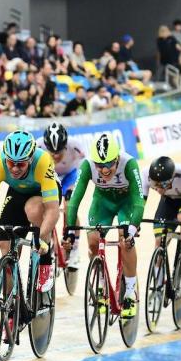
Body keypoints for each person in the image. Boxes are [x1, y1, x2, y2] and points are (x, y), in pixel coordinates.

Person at [64, 134, 145, 318]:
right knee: (93, 241)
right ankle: (101, 286)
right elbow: (75, 199)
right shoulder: (87, 165)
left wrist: (133, 228)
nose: (104, 170)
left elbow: (139, 201)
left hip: (127, 204)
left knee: (126, 241)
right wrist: (69, 230)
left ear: (117, 158)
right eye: (100, 165)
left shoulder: (129, 163)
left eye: (109, 164)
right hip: (102, 204)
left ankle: (131, 291)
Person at [0, 131, 60, 296]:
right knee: (6, 244)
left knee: (33, 210)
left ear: (31, 159)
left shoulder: (43, 161)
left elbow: (53, 210)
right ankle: (13, 302)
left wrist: (40, 238)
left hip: (43, 193)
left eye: (21, 164)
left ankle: (45, 260)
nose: (15, 168)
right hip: (18, 192)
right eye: (11, 163)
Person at [141, 156, 181, 286]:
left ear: (173, 177)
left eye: (164, 184)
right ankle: (158, 283)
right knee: (160, 241)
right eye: (155, 185)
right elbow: (140, 204)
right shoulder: (145, 174)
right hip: (168, 200)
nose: (159, 189)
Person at [36, 122, 86, 269]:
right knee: (45, 208)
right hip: (50, 177)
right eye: (52, 152)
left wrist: (72, 189)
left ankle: (75, 248)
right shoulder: (38, 146)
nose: (56, 156)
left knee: (70, 204)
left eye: (59, 151)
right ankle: (49, 240)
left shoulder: (75, 145)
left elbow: (85, 169)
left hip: (70, 175)